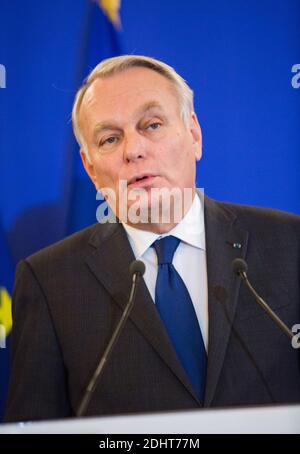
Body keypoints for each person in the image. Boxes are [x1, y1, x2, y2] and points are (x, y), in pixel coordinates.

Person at [5, 55, 300, 422]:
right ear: (90, 168)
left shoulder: (290, 243)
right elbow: (34, 427)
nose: (133, 150)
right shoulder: (49, 281)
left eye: (152, 125)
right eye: (110, 138)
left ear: (194, 135)